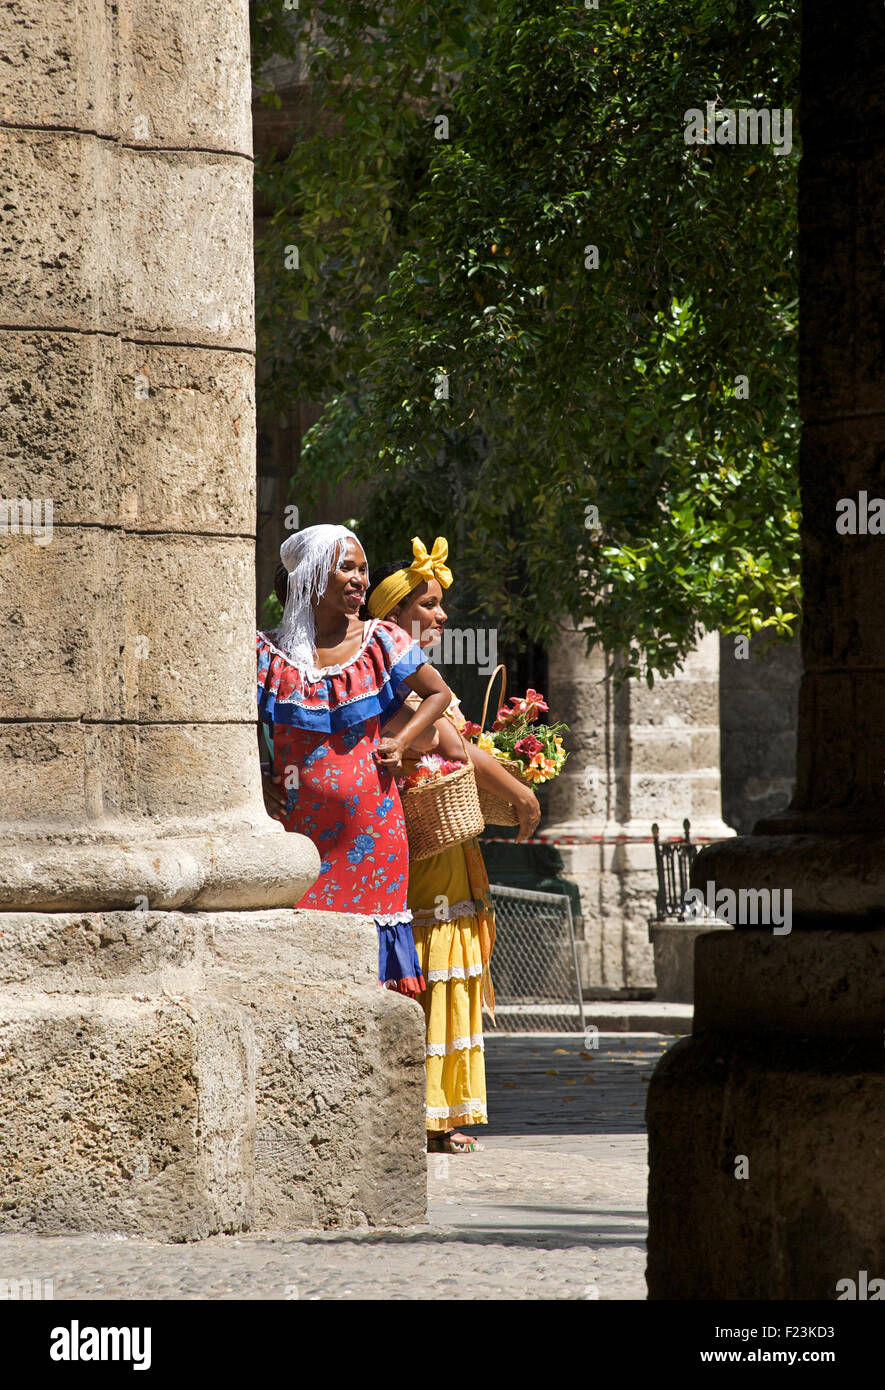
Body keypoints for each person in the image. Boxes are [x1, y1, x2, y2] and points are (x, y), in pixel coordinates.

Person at [366, 536, 541, 1151]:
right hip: (421, 853)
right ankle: (427, 1113)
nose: (441, 617)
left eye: (442, 606)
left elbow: (459, 744)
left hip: (448, 851)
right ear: (395, 616)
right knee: (433, 969)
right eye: (429, 605)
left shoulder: (415, 678)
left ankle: (442, 1111)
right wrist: (518, 792)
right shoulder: (393, 680)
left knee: (450, 968)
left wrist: (520, 776)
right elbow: (454, 747)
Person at [257, 524, 452, 996]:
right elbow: (236, 727)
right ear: (309, 577)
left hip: (373, 829)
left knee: (372, 967)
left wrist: (402, 741)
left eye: (363, 569)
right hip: (295, 835)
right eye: (347, 567)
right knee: (305, 967)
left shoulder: (382, 641)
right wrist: (259, 780)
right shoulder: (265, 651)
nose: (359, 579)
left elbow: (437, 694)